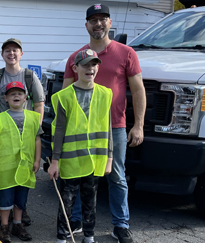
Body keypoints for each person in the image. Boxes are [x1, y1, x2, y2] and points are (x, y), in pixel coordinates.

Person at [61, 4, 145, 243]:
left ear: (110, 23)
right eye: (93, 20)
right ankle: (76, 221)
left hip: (114, 126)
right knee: (79, 174)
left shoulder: (126, 53)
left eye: (102, 19)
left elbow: (138, 91)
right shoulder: (74, 58)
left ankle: (120, 225)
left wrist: (138, 125)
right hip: (80, 129)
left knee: (116, 176)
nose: (98, 24)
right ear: (86, 25)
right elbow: (66, 95)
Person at [48, 49, 113, 243]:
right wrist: (54, 161)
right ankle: (62, 236)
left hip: (94, 160)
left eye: (93, 64)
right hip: (70, 161)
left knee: (90, 202)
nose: (90, 68)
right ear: (75, 68)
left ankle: (89, 236)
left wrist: (109, 158)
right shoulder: (64, 96)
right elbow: (58, 130)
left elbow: (108, 128)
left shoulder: (105, 94)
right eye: (85, 65)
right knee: (66, 201)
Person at [0, 37, 45, 226]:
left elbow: (39, 104)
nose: (11, 53)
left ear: (21, 54)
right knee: (5, 174)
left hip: (24, 133)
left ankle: (20, 212)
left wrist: (34, 128)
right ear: (2, 55)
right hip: (2, 133)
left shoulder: (29, 76)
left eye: (15, 50)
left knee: (23, 173)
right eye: (7, 50)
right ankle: (6, 216)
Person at [0, 82, 42, 243]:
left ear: (26, 97)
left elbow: (37, 139)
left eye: (20, 93)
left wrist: (37, 160)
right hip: (6, 166)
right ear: (5, 98)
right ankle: (4, 226)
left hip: (25, 165)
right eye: (12, 94)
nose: (16, 96)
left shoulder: (34, 117)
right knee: (5, 197)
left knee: (21, 197)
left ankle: (18, 224)